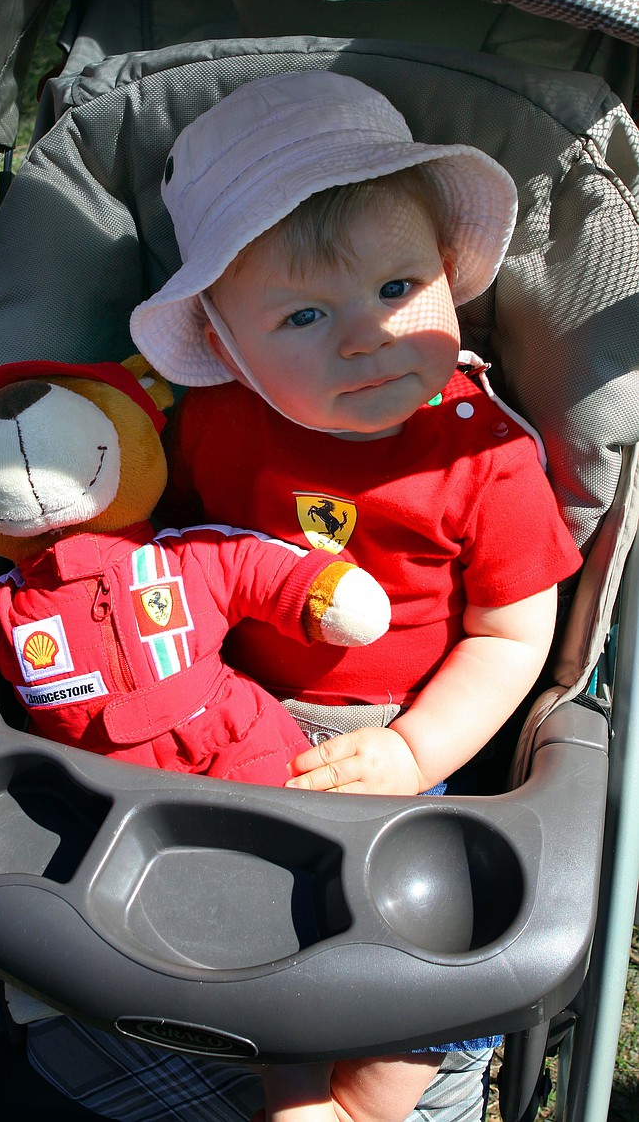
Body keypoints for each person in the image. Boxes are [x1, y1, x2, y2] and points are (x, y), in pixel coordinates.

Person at [130, 70, 583, 1122]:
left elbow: (513, 633)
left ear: (446, 278)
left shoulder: (485, 456)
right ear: (225, 345)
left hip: (398, 729)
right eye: (302, 313)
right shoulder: (216, 423)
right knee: (231, 902)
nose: (365, 337)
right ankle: (289, 1080)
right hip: (229, 709)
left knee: (424, 929)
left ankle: (376, 1099)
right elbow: (174, 542)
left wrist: (416, 753)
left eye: (396, 290)